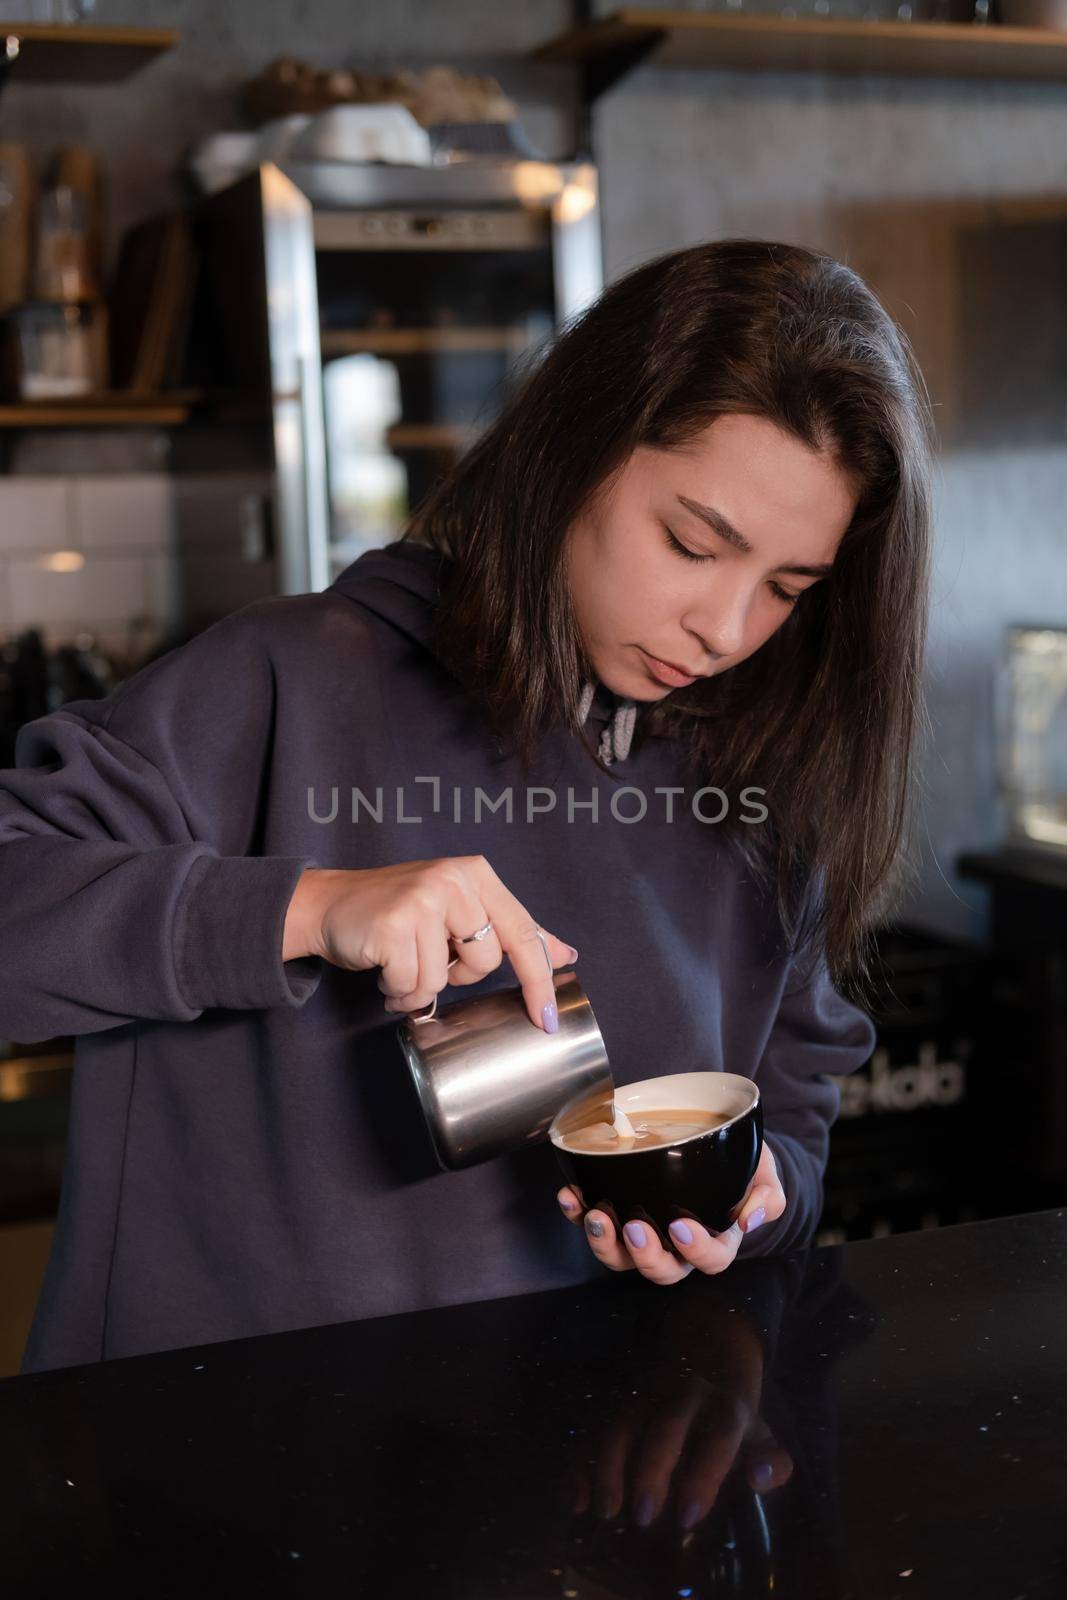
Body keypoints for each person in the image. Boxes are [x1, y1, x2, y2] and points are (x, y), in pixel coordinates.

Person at [0, 239, 932, 1372]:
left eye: (787, 586)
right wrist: (304, 909)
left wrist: (748, 1205)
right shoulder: (285, 680)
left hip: (568, 1484)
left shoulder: (758, 774)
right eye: (692, 544)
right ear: (571, 450)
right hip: (213, 1464)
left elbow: (793, 1110)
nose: (726, 629)